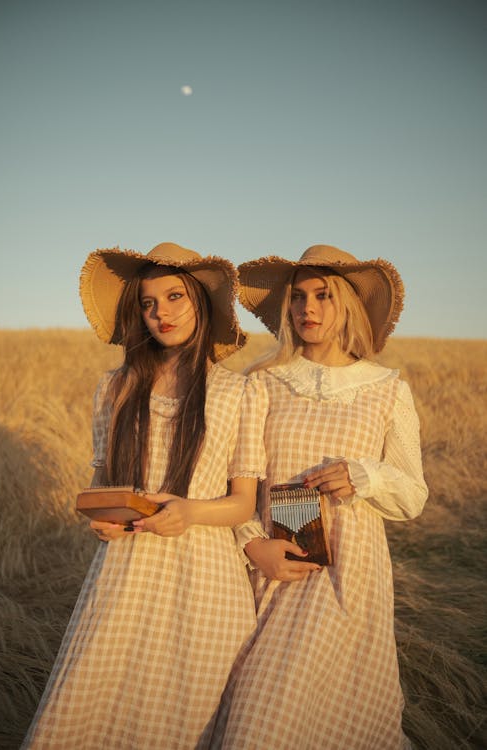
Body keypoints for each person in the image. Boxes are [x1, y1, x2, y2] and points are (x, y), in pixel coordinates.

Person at [22, 242, 265, 750]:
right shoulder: (115, 388)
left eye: (175, 297)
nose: (162, 313)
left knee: (183, 718)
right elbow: (100, 485)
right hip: (124, 570)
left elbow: (244, 502)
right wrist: (102, 518)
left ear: (200, 303)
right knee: (88, 704)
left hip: (206, 578)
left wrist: (189, 511)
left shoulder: (238, 392)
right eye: (149, 303)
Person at [215, 244, 428, 750]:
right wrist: (251, 545)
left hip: (350, 576)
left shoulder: (387, 389)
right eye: (299, 297)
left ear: (348, 305)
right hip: (275, 572)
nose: (308, 308)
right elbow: (232, 484)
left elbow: (413, 495)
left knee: (334, 721)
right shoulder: (261, 385)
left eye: (324, 296)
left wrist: (364, 475)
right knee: (256, 723)